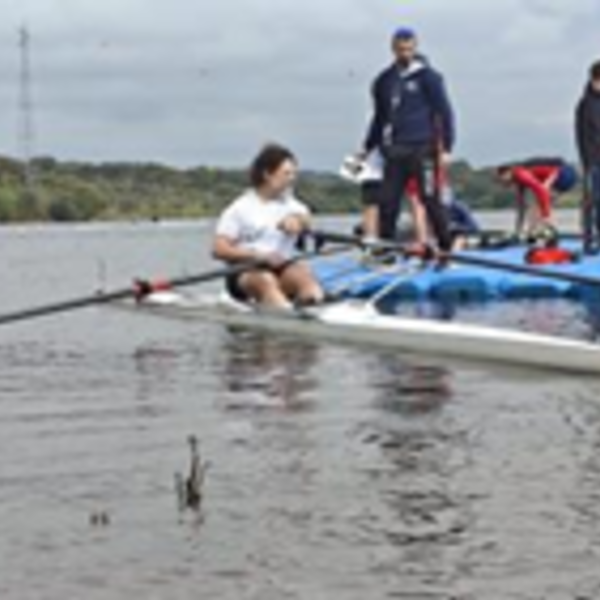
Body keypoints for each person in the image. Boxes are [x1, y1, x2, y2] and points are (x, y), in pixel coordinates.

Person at [360, 26, 455, 251]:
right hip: (394, 150)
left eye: (409, 49)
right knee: (388, 201)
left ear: (415, 47)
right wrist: (368, 146)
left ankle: (446, 247)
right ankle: (386, 249)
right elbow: (379, 117)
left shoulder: (429, 77)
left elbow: (444, 113)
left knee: (430, 198)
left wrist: (447, 147)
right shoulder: (384, 81)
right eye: (401, 49)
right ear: (393, 49)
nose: (405, 53)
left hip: (423, 149)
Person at [212, 144, 324, 308]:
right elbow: (219, 249)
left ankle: (313, 307)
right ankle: (284, 313)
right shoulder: (239, 209)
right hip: (245, 271)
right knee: (265, 281)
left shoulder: (293, 205)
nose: (292, 178)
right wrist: (259, 256)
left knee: (305, 278)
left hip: (282, 266)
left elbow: (306, 218)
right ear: (267, 174)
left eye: (294, 173)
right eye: (286, 173)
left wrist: (298, 221)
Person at [496, 158, 578, 238]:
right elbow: (521, 208)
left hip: (563, 172)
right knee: (536, 203)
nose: (502, 183)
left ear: (508, 172)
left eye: (502, 179)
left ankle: (546, 227)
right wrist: (518, 229)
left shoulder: (521, 174)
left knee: (541, 195)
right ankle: (534, 230)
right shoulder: (519, 182)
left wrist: (546, 217)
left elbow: (541, 191)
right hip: (562, 173)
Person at [576, 60, 600, 253]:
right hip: (592, 160)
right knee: (591, 201)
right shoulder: (585, 105)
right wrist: (586, 162)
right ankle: (588, 239)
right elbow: (581, 135)